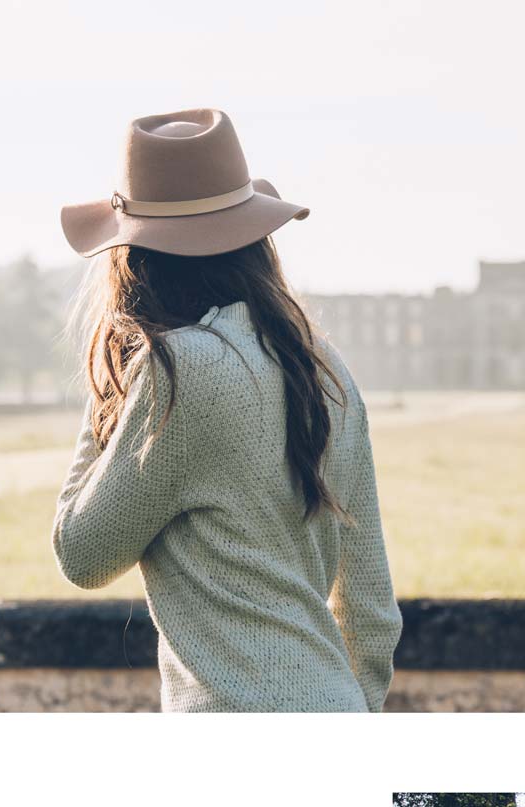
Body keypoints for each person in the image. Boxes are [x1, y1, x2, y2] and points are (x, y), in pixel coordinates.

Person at [53, 108, 400, 712]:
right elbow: (371, 613)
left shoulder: (181, 373)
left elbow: (81, 553)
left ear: (131, 255)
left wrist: (111, 382)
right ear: (255, 242)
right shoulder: (323, 367)